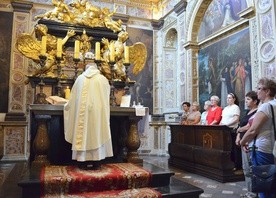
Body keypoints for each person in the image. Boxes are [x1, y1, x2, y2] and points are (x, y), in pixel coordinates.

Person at [63, 52, 113, 170]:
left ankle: (82, 160)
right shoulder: (102, 79)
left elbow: (73, 99)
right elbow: (106, 97)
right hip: (97, 114)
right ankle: (97, 161)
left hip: (82, 114)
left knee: (83, 132)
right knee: (97, 133)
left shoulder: (80, 79)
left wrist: (66, 106)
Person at [240, 77, 276, 198]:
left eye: (259, 88)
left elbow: (253, 130)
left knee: (263, 182)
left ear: (267, 91)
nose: (257, 91)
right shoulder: (274, 104)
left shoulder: (266, 106)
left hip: (261, 147)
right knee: (271, 182)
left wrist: (242, 141)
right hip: (270, 146)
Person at [235, 91, 259, 198]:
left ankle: (253, 193)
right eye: (246, 99)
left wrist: (240, 130)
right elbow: (241, 125)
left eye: (248, 99)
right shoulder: (247, 112)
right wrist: (238, 136)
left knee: (251, 169)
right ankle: (249, 192)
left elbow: (251, 126)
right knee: (246, 169)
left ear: (255, 101)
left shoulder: (257, 112)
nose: (246, 101)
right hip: (243, 141)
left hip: (250, 143)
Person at [220, 93, 241, 171]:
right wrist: (221, 125)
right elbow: (223, 119)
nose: (228, 99)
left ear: (234, 99)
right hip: (224, 130)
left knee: (233, 148)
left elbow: (236, 119)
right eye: (227, 98)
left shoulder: (235, 107)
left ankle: (236, 164)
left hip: (232, 130)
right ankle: (228, 163)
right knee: (226, 147)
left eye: (229, 98)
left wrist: (226, 125)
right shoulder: (225, 108)